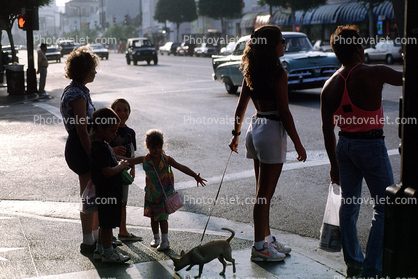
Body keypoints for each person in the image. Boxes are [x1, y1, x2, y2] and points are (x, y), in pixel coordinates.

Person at [321, 25, 402, 277]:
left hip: (344, 146)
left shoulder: (330, 85)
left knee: (349, 205)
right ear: (358, 49)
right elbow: (405, 79)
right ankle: (372, 268)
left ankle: (354, 261)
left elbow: (327, 130)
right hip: (371, 145)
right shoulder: (373, 72)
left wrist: (334, 165)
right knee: (383, 207)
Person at [228, 25, 307, 262]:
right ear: (272, 46)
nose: (284, 44)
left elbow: (240, 107)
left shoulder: (250, 70)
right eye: (282, 41)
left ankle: (267, 238)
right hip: (272, 131)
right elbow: (284, 112)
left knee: (261, 194)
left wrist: (236, 134)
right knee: (264, 195)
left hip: (255, 128)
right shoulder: (279, 73)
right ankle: (259, 247)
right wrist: (299, 144)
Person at [128, 129, 206, 251]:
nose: (157, 150)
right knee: (153, 218)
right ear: (147, 146)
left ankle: (165, 240)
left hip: (164, 196)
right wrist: (114, 155)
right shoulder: (145, 159)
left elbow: (181, 167)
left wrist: (195, 175)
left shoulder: (166, 159)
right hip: (151, 195)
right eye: (153, 147)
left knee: (163, 218)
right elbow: (129, 161)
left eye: (159, 147)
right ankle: (156, 238)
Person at [60, 46, 99, 254]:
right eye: (93, 68)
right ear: (84, 70)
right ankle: (88, 241)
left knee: (93, 193)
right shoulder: (77, 94)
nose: (95, 72)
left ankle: (98, 237)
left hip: (79, 144)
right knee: (89, 195)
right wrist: (92, 154)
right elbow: (82, 130)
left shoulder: (76, 90)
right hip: (80, 146)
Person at [89, 108, 131, 263]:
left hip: (105, 191)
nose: (115, 134)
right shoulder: (101, 148)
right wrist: (121, 166)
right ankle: (108, 253)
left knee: (104, 223)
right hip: (108, 192)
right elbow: (106, 172)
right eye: (112, 131)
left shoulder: (100, 145)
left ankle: (100, 250)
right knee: (107, 225)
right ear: (101, 128)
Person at [109, 98, 142, 242]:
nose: (122, 113)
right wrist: (113, 150)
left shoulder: (130, 132)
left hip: (125, 171)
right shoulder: (110, 130)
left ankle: (123, 231)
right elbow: (103, 148)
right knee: (110, 202)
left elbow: (132, 152)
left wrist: (133, 169)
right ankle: (108, 234)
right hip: (111, 170)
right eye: (118, 110)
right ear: (112, 112)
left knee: (123, 202)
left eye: (125, 110)